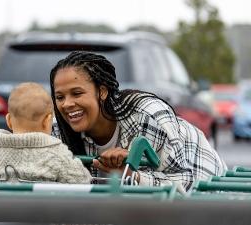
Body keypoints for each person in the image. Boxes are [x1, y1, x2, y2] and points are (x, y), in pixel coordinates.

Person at [49, 51, 226, 191]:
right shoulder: (60, 130)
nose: (67, 104)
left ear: (102, 92)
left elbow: (184, 183)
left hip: (203, 184)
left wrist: (132, 175)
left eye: (77, 93)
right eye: (59, 97)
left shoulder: (148, 118)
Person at [0, 82, 92, 184]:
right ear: (48, 121)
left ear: (9, 121)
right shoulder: (56, 153)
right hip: (42, 206)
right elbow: (82, 181)